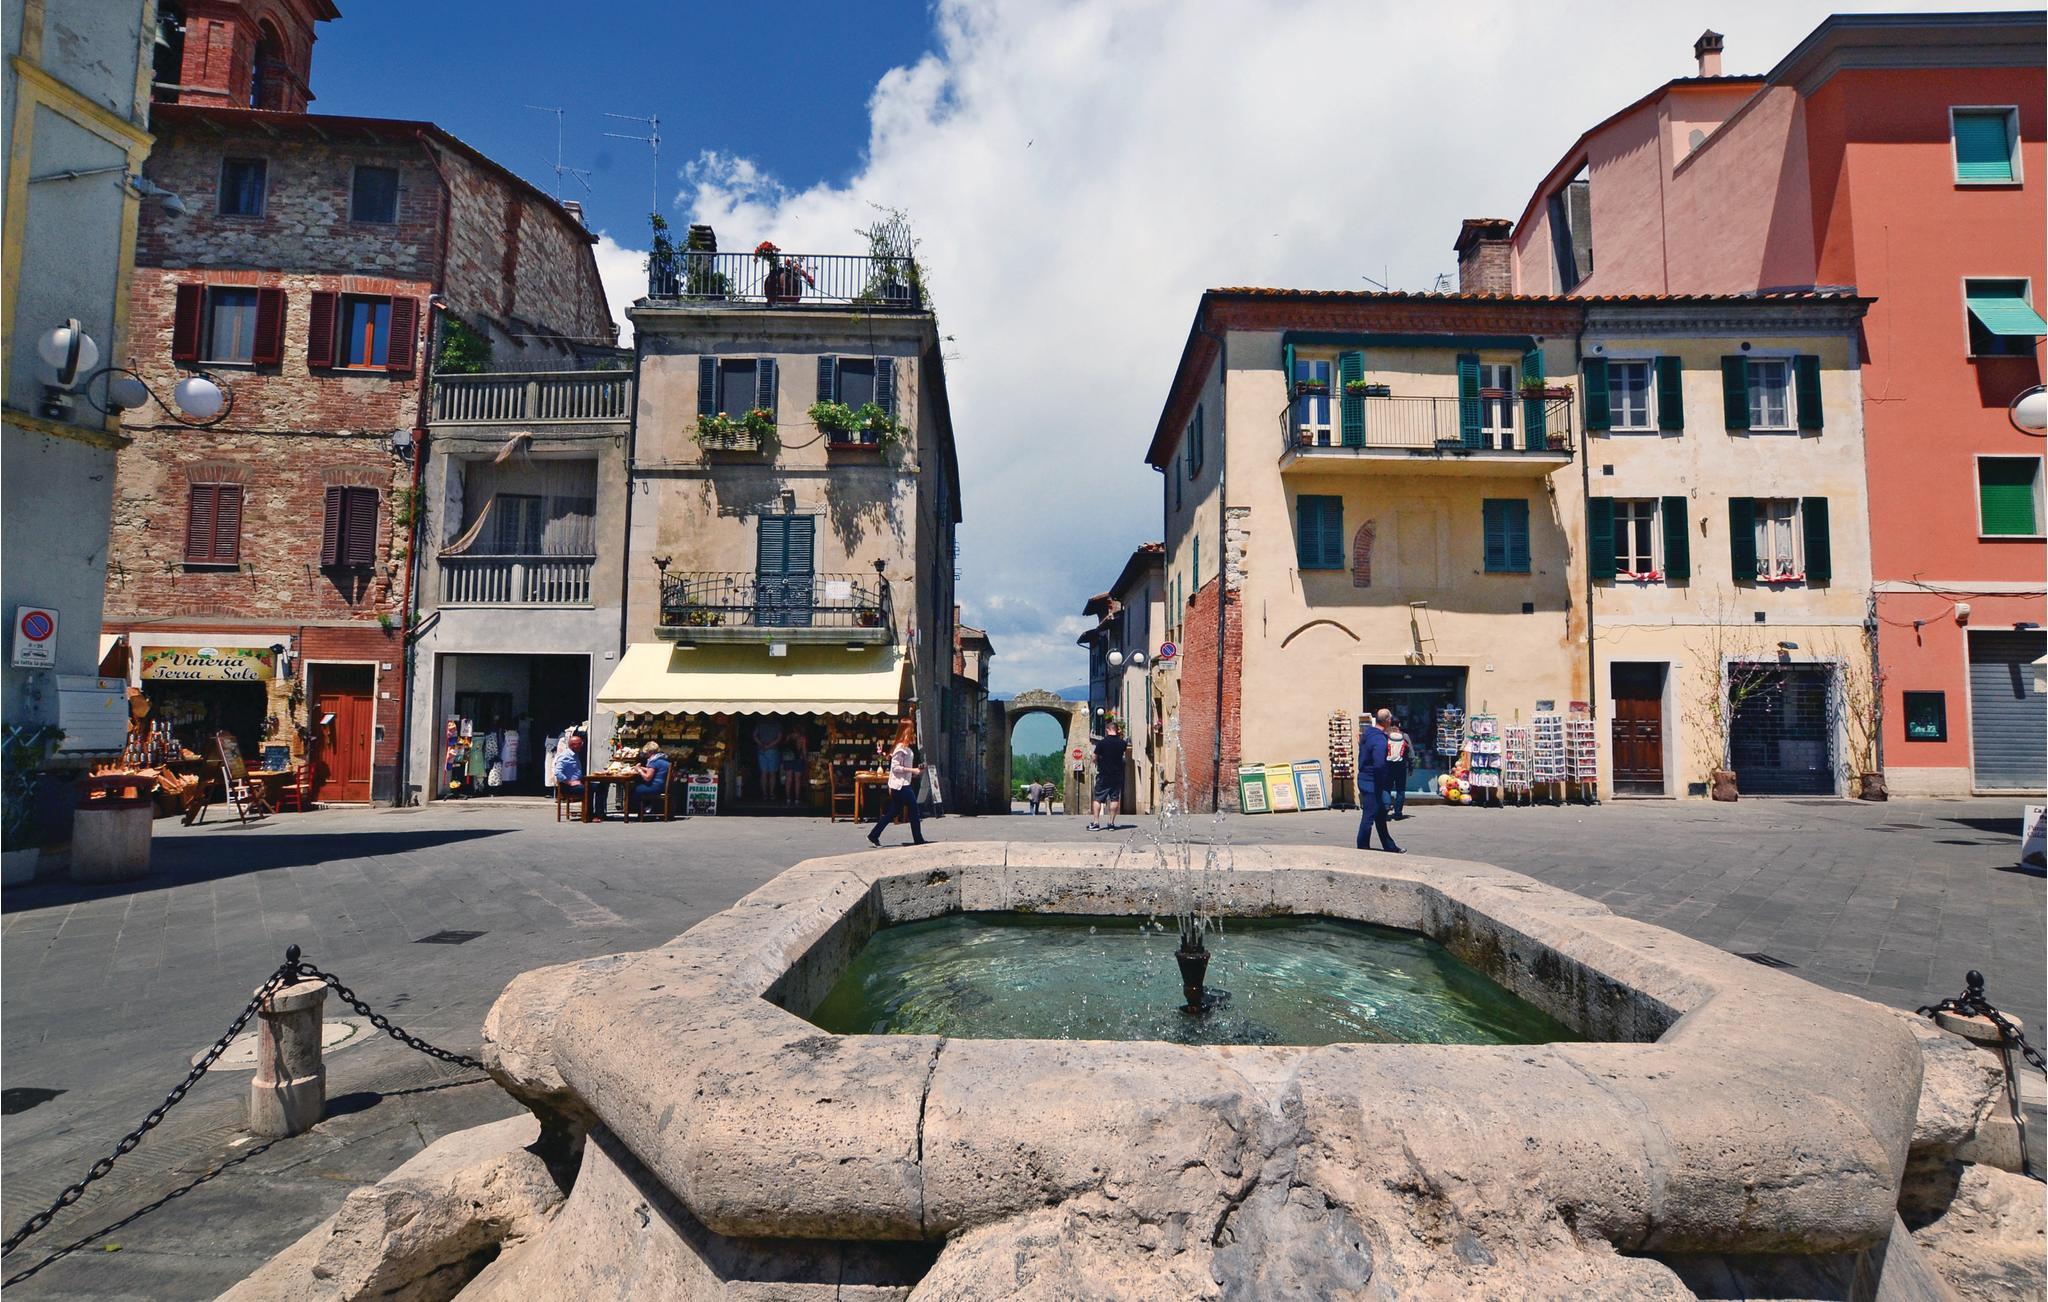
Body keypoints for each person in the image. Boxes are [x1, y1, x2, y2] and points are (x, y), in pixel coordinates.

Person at [868, 721, 929, 847]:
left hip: (903, 783)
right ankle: (918, 839)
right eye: (911, 730)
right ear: (906, 731)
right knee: (914, 810)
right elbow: (895, 767)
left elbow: (904, 768)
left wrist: (916, 770)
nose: (913, 733)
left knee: (894, 811)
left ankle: (874, 834)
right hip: (901, 785)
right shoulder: (900, 748)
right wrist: (912, 770)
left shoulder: (906, 748)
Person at [1356, 711, 1403, 853]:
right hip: (1372, 781)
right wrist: (1383, 780)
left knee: (1381, 815)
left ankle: (1389, 846)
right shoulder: (1379, 740)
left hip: (1364, 777)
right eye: (1390, 718)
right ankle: (1362, 846)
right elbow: (1379, 764)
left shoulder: (1368, 733)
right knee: (1369, 816)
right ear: (1387, 720)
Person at [1088, 720, 1129, 831]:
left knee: (1097, 798)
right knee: (1114, 799)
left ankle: (1096, 823)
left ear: (1107, 729)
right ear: (1117, 730)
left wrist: (1097, 763)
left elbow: (1094, 757)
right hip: (1117, 775)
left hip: (1104, 774)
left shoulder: (1102, 743)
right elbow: (1122, 751)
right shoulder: (1122, 743)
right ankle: (1111, 823)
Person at [554, 734, 607, 818]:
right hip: (568, 786)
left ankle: (599, 813)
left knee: (600, 786)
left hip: (578, 783)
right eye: (579, 743)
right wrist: (569, 782)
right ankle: (589, 815)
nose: (582, 745)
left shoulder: (575, 754)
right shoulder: (565, 756)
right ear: (573, 745)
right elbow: (557, 772)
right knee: (588, 789)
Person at [628, 741, 671, 819]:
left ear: (650, 752)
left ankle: (641, 811)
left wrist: (639, 770)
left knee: (635, 789)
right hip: (662, 786)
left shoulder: (654, 761)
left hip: (655, 787)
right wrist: (641, 768)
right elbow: (652, 770)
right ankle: (646, 809)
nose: (646, 756)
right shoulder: (663, 760)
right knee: (639, 788)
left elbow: (647, 778)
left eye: (646, 753)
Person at [1382, 711, 1411, 820]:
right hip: (1401, 766)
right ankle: (1398, 813)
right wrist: (1411, 766)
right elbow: (1411, 753)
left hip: (1388, 765)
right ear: (1399, 724)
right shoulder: (1404, 736)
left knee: (1386, 787)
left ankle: (1386, 806)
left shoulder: (1386, 736)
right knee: (1400, 790)